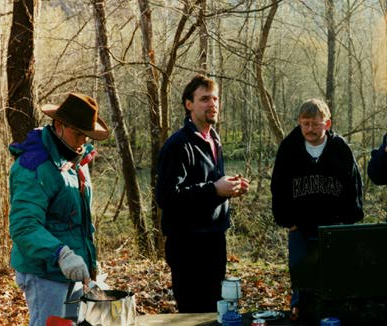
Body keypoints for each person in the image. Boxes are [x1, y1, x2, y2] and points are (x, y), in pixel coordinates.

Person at [8, 92, 109, 325]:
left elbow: (78, 221)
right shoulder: (34, 164)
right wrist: (61, 254)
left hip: (74, 272)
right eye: (78, 134)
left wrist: (89, 260)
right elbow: (24, 226)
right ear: (59, 125)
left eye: (87, 135)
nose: (83, 141)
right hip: (44, 273)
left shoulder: (77, 161)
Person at [155, 74, 249, 313]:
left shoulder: (214, 139)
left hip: (214, 238)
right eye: (205, 99)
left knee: (213, 312)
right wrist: (215, 189)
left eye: (215, 98)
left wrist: (230, 189)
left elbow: (211, 186)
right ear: (189, 104)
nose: (213, 104)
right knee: (193, 314)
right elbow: (167, 198)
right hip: (187, 245)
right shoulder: (178, 145)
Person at [270, 98, 363, 320]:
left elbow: (354, 186)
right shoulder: (289, 147)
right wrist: (287, 221)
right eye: (305, 123)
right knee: (303, 283)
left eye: (315, 124)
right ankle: (301, 314)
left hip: (334, 227)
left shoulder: (340, 149)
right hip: (300, 228)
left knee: (336, 278)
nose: (309, 129)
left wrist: (349, 222)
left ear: (327, 124)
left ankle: (335, 316)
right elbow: (278, 187)